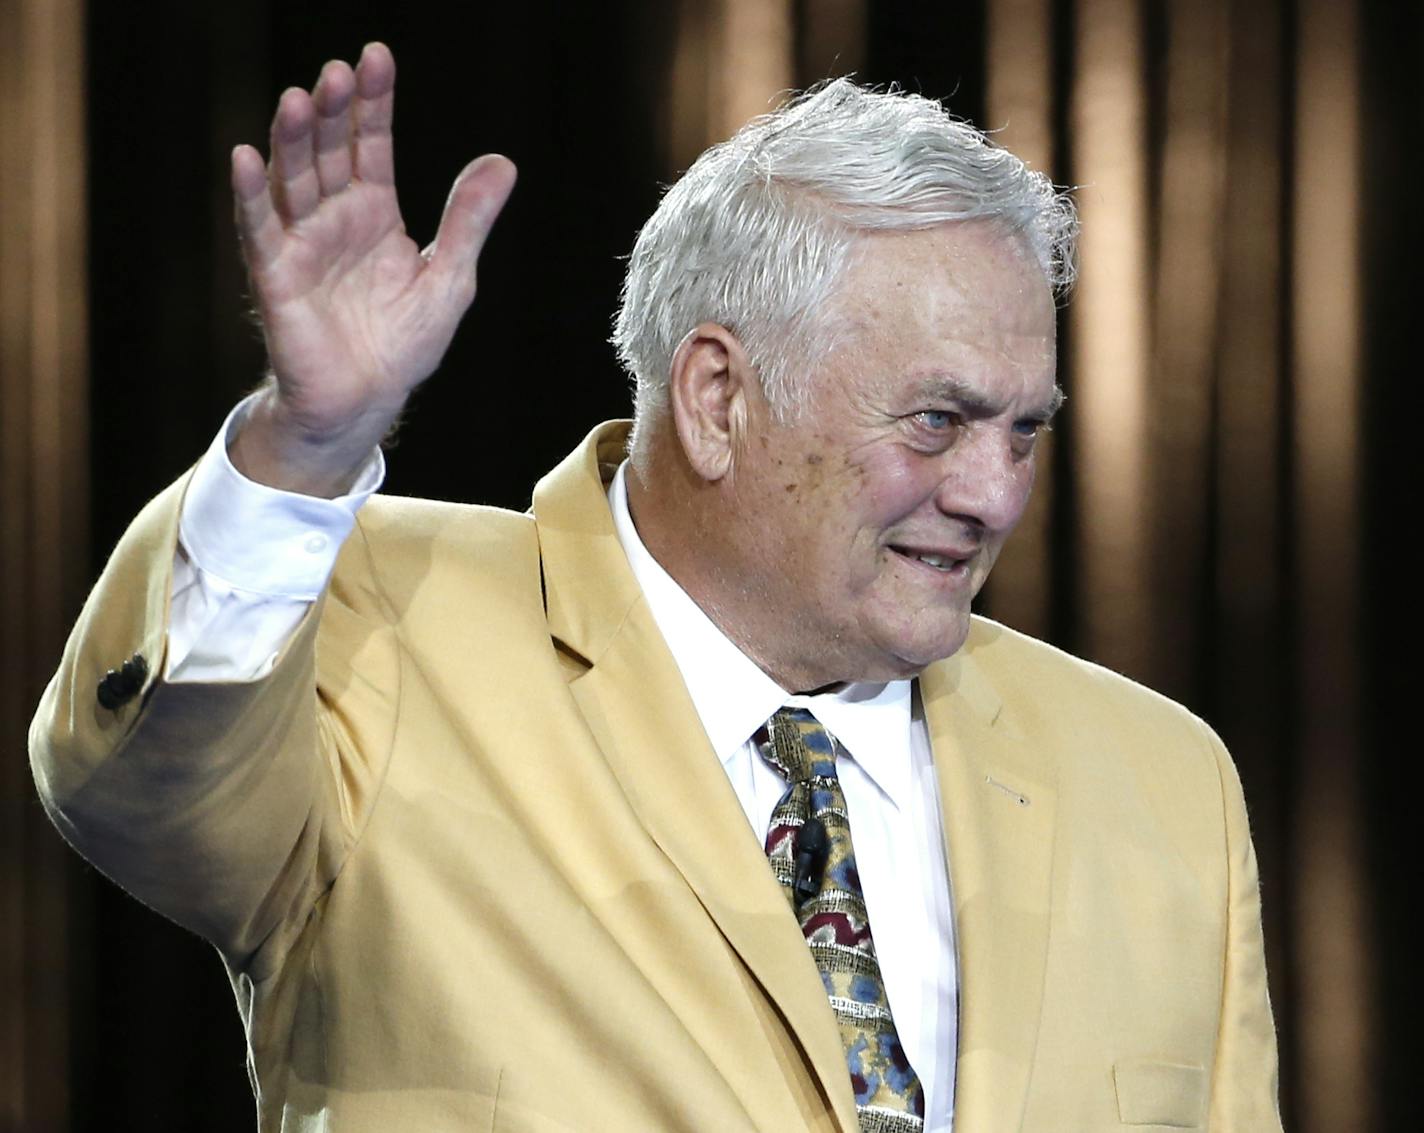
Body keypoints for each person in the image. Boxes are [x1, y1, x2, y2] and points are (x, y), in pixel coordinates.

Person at [30, 41, 1280, 1133]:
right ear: (718, 397)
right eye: (938, 420)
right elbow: (139, 795)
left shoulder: (1160, 779)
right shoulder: (374, 619)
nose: (994, 494)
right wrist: (303, 451)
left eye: (1022, 431)